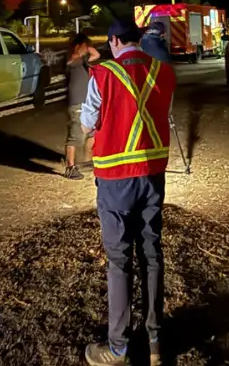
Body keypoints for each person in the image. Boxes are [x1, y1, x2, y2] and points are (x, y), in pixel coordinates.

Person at [80, 18, 176, 366]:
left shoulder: (103, 75)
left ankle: (118, 347)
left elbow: (88, 122)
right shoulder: (163, 72)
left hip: (116, 180)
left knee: (120, 261)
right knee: (152, 254)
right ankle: (154, 342)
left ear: (115, 42)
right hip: (153, 175)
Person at [63, 32, 100, 180]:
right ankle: (70, 167)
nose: (88, 47)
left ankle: (86, 161)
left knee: (92, 133)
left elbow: (95, 55)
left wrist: (87, 50)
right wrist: (80, 51)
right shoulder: (71, 59)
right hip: (77, 102)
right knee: (75, 135)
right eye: (86, 44)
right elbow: (70, 61)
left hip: (87, 102)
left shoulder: (83, 60)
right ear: (78, 45)